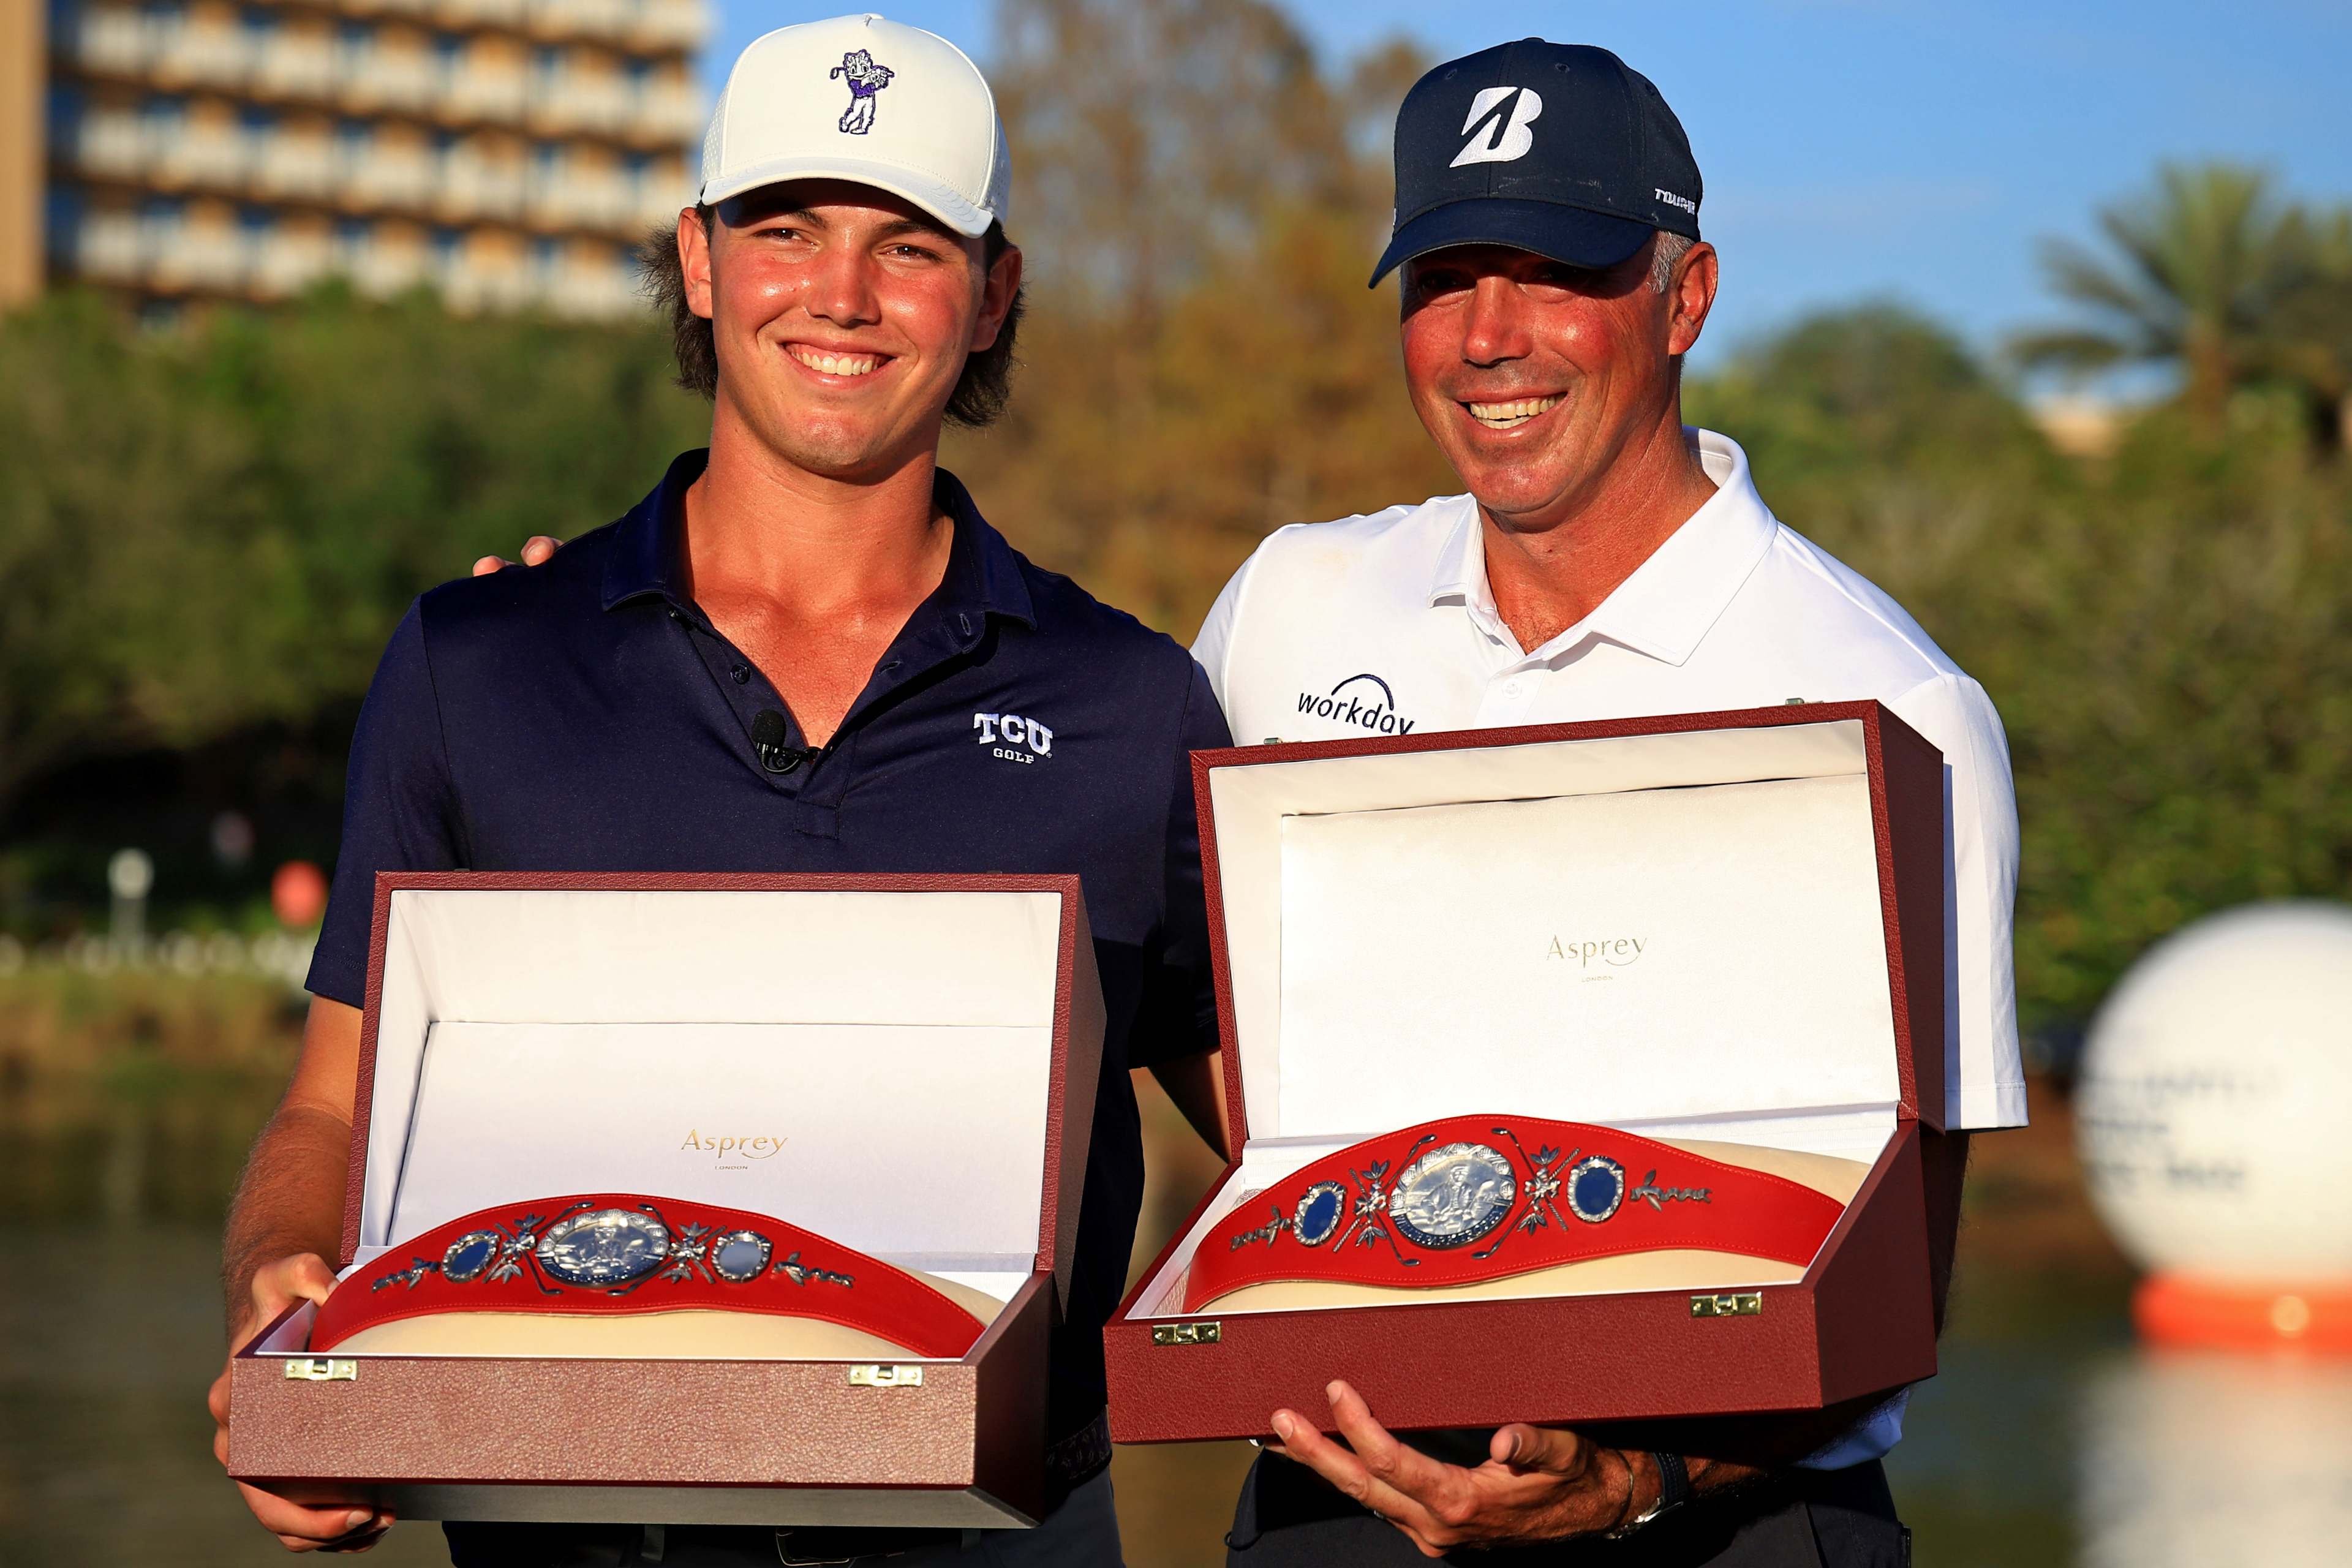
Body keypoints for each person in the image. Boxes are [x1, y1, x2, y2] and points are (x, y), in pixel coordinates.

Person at [207, 15, 1226, 1564]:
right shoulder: (476, 661)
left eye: (909, 245)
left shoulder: (1132, 704)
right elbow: (332, 1108)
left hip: (1004, 1531)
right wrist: (281, 1291)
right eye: (786, 229)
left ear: (993, 294)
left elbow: (1286, 1138)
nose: (842, 294)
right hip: (567, 1526)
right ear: (698, 260)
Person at [1190, 39, 2024, 1568]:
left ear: (1685, 296)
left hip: (1724, 1518)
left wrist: (1640, 1477)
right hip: (1339, 1493)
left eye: (1556, 273)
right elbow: (1184, 988)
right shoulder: (1288, 607)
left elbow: (1904, 1271)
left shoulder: (1891, 699)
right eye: (1446, 277)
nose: (1488, 338)